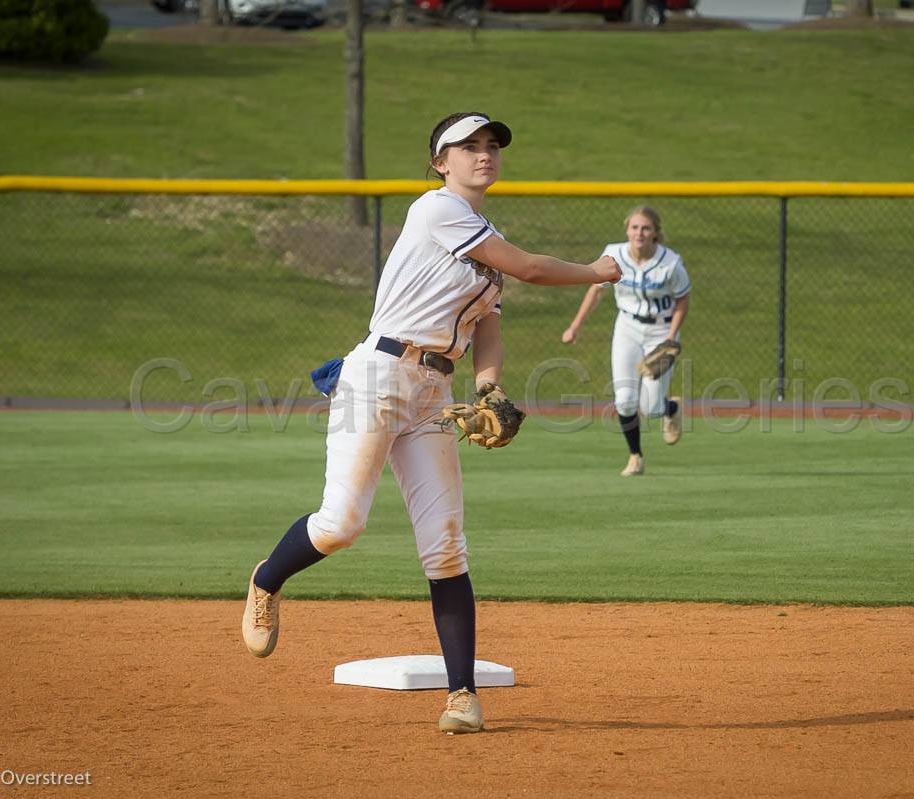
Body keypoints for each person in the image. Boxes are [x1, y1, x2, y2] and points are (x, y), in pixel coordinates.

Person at [241, 112, 621, 735]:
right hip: (379, 377)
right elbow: (531, 267)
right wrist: (597, 271)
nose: (484, 154)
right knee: (341, 524)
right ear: (440, 162)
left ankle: (462, 697)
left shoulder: (483, 248)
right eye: (468, 146)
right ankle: (267, 578)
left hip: (434, 392)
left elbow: (489, 330)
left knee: (446, 546)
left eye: (492, 145)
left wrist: (491, 391)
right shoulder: (436, 210)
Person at [560, 206, 690, 476]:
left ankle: (672, 408)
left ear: (655, 232)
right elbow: (596, 291)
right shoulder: (614, 254)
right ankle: (635, 457)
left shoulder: (670, 262)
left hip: (661, 331)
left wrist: (670, 339)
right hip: (628, 328)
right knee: (625, 400)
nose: (639, 233)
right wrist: (575, 326)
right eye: (634, 227)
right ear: (627, 229)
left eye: (645, 228)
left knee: (651, 408)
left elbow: (682, 299)